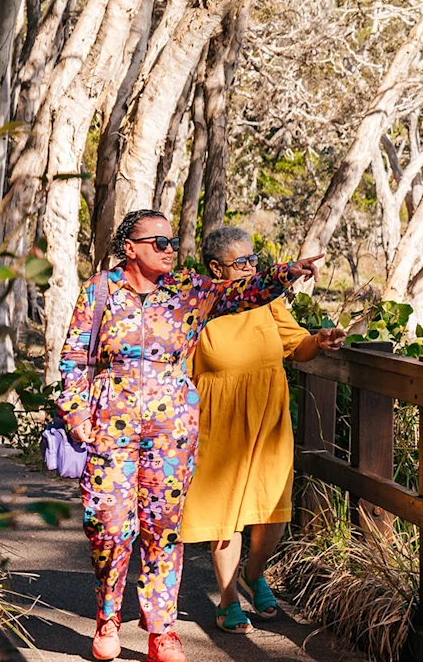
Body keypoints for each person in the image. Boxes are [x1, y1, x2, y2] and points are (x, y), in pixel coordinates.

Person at [57, 210, 323, 662]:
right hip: (109, 429)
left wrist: (286, 273)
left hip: (171, 432)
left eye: (172, 241)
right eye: (158, 242)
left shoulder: (188, 289)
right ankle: (107, 617)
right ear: (130, 248)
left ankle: (162, 633)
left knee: (163, 532)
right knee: (108, 529)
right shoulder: (100, 291)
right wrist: (76, 414)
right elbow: (74, 358)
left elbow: (244, 292)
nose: (169, 249)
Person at [180, 226, 345, 634]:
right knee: (226, 515)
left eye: (254, 260)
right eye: (241, 262)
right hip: (219, 419)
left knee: (272, 509)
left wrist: (320, 340)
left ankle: (254, 575)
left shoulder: (266, 300)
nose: (251, 268)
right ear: (216, 267)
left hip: (268, 416)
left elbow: (296, 346)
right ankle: (228, 599)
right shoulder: (200, 304)